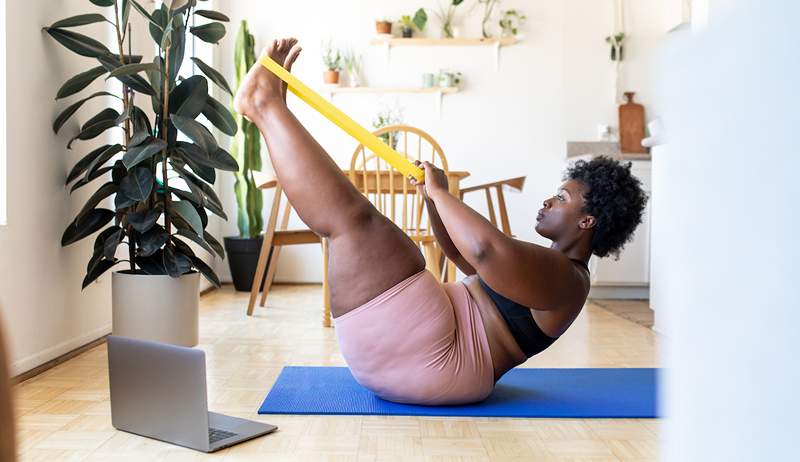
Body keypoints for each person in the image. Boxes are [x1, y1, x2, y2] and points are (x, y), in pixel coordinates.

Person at [234, 38, 648, 405]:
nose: (548, 200)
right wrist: (433, 201)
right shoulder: (553, 269)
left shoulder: (568, 281)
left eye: (562, 198)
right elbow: (463, 256)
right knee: (363, 227)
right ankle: (271, 109)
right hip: (422, 357)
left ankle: (264, 107)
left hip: (435, 361)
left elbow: (486, 251)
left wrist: (441, 194)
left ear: (588, 220)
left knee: (357, 222)